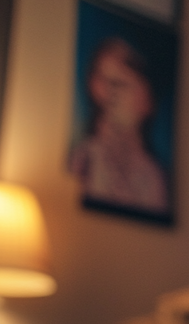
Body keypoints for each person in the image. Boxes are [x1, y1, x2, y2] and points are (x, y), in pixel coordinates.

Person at [69, 36, 169, 213]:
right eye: (103, 81)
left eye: (120, 84)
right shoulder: (85, 159)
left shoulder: (155, 177)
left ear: (149, 101)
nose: (109, 94)